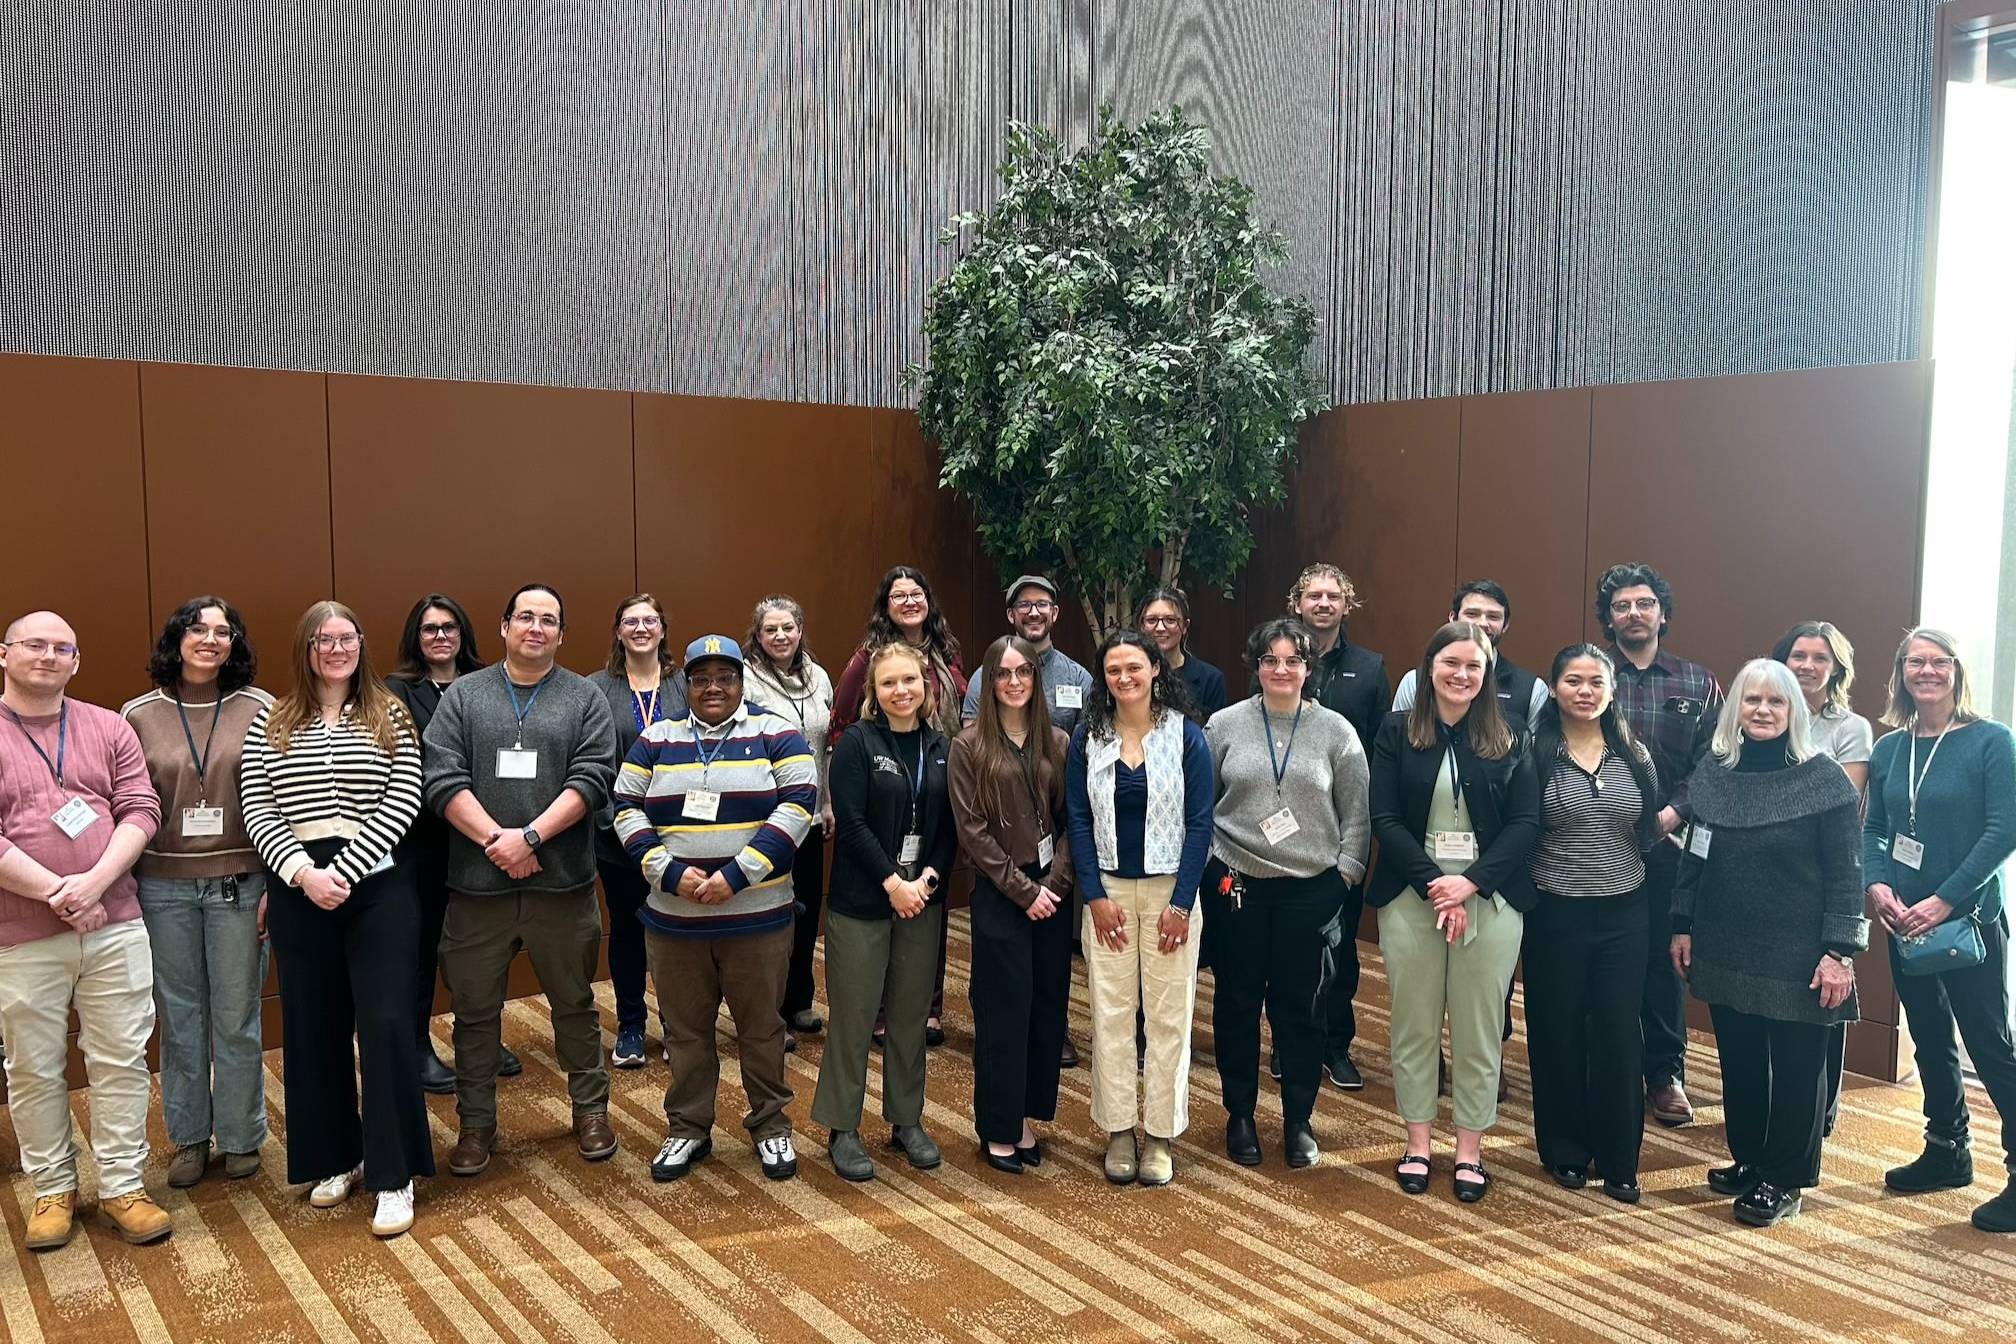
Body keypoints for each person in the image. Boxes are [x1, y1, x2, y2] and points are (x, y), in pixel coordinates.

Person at [242, 600, 433, 1237]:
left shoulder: (389, 712)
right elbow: (257, 805)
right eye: (323, 640)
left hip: (378, 885)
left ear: (361, 644)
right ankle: (336, 1157)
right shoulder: (272, 719)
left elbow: (405, 796)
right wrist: (304, 874)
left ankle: (394, 1173)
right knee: (313, 1026)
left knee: (385, 1025)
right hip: (299, 886)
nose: (336, 649)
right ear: (306, 647)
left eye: (347, 638)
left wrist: (346, 870)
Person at [424, 583, 618, 1178]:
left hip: (561, 889)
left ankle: (590, 1111)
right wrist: (500, 843)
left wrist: (529, 839)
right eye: (525, 617)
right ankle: (476, 1124)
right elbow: (441, 778)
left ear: (561, 634)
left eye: (548, 620)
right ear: (504, 627)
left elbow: (593, 779)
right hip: (477, 891)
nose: (536, 627)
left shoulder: (584, 697)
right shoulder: (464, 695)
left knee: (575, 1004)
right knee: (474, 1012)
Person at [613, 634, 817, 1183]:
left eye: (724, 677)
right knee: (685, 1031)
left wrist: (738, 874)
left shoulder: (777, 733)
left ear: (741, 681)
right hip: (674, 920)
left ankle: (771, 1125)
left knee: (762, 1029)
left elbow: (800, 805)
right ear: (686, 684)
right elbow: (625, 805)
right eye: (701, 679)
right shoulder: (656, 738)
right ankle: (688, 1127)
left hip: (757, 918)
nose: (713, 688)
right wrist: (667, 871)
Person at [1670, 659, 1865, 1227]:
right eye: (1752, 700)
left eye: (1776, 701)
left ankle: (1785, 1178)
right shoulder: (1715, 773)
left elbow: (1846, 873)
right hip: (1725, 942)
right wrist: (1682, 923)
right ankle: (1751, 1158)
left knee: (1799, 1069)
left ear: (1794, 710)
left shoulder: (1824, 779)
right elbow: (1695, 855)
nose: (1762, 710)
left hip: (1801, 952)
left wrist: (1839, 952)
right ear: (1735, 709)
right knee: (1741, 1061)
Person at [0, 611, 171, 1251]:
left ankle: (124, 1186)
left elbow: (141, 808)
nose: (48, 656)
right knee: (33, 1067)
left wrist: (95, 884)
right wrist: (60, 893)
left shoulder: (108, 726)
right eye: (34, 645)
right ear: (4, 654)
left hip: (115, 922)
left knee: (121, 1058)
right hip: (21, 935)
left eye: (62, 648)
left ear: (77, 661)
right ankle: (53, 1189)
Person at [1368, 621, 1537, 1203]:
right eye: (1451, 663)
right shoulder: (1396, 731)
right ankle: (1418, 1143)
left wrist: (1470, 885)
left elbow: (1526, 824)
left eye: (1473, 666)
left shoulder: (1511, 735)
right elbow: (1384, 818)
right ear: (1429, 666)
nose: (1461, 675)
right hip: (1412, 896)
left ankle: (1470, 1150)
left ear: (1487, 674)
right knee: (1413, 1025)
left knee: (1478, 1030)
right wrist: (1438, 886)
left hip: (1491, 900)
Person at [1863, 628, 2016, 1233]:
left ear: (1956, 670)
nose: (1926, 671)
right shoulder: (1889, 748)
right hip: (1905, 920)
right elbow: (1875, 828)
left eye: (1938, 661)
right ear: (1900, 672)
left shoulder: (1990, 740)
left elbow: (2004, 829)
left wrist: (1945, 899)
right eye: (1915, 662)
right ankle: (1947, 1149)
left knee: (1990, 1046)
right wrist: (1877, 885)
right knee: (1928, 1037)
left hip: (1968, 921)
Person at [1204, 618, 1369, 1170]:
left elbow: (1357, 814)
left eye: (1292, 660)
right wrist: (1210, 864)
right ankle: (1240, 1115)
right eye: (1270, 660)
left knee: (1302, 1010)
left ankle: (1298, 1119)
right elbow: (1201, 805)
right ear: (1255, 666)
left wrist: (1345, 875)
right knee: (1237, 1003)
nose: (1281, 669)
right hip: (1238, 885)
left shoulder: (1337, 732)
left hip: (1311, 890)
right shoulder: (1225, 725)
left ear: (1308, 668)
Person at [121, 596, 273, 1189]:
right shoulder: (137, 714)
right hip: (164, 888)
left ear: (235, 644)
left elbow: (282, 800)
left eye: (223, 631)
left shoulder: (260, 708)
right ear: (176, 638)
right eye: (198, 629)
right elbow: (126, 803)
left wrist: (277, 885)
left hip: (242, 882)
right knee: (181, 1017)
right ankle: (189, 1137)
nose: (210, 639)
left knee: (236, 1017)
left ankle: (240, 1136)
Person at [1066, 630, 1213, 1187]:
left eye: (1134, 667)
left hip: (1171, 895)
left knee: (1169, 1019)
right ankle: (1120, 1129)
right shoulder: (1089, 736)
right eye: (1113, 670)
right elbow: (1078, 819)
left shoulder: (1186, 736)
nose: (1124, 678)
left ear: (1155, 669)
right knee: (1110, 1016)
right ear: (1103, 679)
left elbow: (1200, 823)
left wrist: (1182, 903)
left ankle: (1160, 1135)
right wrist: (1094, 896)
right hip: (1108, 896)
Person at [1521, 644, 1660, 1203]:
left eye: (1595, 681)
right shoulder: (1534, 752)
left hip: (1625, 911)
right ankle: (1566, 1149)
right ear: (1554, 688)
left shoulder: (1633, 753)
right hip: (1554, 910)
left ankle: (1620, 1156)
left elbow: (1647, 831)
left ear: (1611, 690)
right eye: (1573, 681)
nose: (1585, 691)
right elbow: (1521, 829)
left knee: (1619, 1031)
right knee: (1556, 1028)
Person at [816, 643, 956, 1179]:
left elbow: (949, 828)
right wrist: (894, 883)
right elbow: (851, 824)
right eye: (889, 682)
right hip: (864, 902)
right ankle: (842, 1127)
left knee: (910, 1015)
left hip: (922, 900)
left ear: (925, 686)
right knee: (854, 1016)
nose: (901, 690)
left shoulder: (941, 746)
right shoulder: (857, 742)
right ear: (873, 692)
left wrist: (927, 880)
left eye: (910, 680)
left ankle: (905, 1119)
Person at [1596, 562, 1722, 1127]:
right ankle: (1610, 1067)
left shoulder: (1697, 682)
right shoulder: (1593, 675)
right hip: (1600, 845)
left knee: (1665, 962)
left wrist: (1673, 813)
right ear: (1609, 618)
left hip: (1672, 847)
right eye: (1621, 605)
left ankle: (1665, 1073)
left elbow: (1716, 761)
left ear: (1662, 614)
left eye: (1644, 603)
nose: (1634, 613)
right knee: (1607, 957)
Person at [386, 594, 522, 1093]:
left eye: (449, 627)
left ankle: (479, 1040)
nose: (440, 636)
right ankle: (418, 1048)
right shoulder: (395, 693)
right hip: (423, 843)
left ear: (463, 633)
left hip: (485, 841)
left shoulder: (492, 683)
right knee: (422, 950)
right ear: (415, 637)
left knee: (483, 949)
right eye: (429, 629)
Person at [951, 635, 1075, 1173]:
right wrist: (1025, 891)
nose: (1014, 682)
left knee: (1045, 1009)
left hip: (1053, 893)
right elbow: (972, 832)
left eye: (1023, 671)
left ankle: (1025, 1117)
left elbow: (1073, 822)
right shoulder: (968, 746)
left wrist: (1055, 885)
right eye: (1003, 674)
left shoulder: (1059, 741)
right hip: (1002, 894)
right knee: (1003, 1012)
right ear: (989, 681)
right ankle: (998, 1126)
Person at [831, 566, 967, 1045]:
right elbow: (841, 721)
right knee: (881, 905)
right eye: (898, 595)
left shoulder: (946, 654)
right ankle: (882, 1009)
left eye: (917, 593)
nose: (909, 602)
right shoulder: (866, 657)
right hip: (881, 780)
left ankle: (926, 1007)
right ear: (885, 605)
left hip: (936, 774)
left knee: (929, 909)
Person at [1282, 563, 1389, 1089]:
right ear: (1297, 603)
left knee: (1340, 942)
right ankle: (1287, 1042)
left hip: (1346, 826)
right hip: (1285, 827)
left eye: (1333, 596)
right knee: (1286, 942)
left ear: (1347, 605)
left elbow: (1381, 747)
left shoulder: (1370, 668)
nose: (1323, 603)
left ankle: (1335, 1044)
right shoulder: (1279, 661)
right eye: (1313, 595)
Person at [1772, 619, 1874, 1138]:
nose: (1808, 666)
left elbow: (1843, 805)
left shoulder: (1850, 728)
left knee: (1822, 993)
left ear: (1837, 669)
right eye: (1799, 656)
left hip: (1821, 877)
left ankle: (1821, 1113)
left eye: (1820, 659)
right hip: (1769, 876)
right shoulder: (1766, 711)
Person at [586, 593, 688, 1069]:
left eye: (650, 620)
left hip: (680, 835)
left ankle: (676, 1024)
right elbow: (591, 760)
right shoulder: (595, 689)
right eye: (631, 621)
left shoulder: (684, 684)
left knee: (676, 934)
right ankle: (630, 1025)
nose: (641, 628)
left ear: (662, 629)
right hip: (617, 837)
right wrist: (618, 823)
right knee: (627, 931)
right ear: (618, 630)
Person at [741, 595, 835, 1045]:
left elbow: (827, 747)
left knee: (807, 909)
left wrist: (828, 803)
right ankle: (769, 1013)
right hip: (769, 818)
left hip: (812, 815)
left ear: (800, 631)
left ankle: (799, 1000)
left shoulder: (818, 676)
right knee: (772, 917)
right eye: (770, 629)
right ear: (758, 635)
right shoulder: (746, 678)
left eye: (788, 628)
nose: (780, 636)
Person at [1390, 581, 1549, 731]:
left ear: (1505, 625)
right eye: (1472, 614)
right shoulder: (1414, 682)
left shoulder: (1532, 689)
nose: (1482, 623)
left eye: (1493, 616)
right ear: (1453, 618)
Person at [961, 575, 1095, 733]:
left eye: (1042, 604)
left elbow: (1087, 741)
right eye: (1024, 605)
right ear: (1011, 615)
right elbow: (972, 740)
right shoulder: (986, 676)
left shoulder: (1078, 678)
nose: (1034, 613)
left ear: (1054, 613)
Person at [1138, 585, 1227, 717]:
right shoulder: (1130, 676)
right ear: (1142, 626)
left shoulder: (1210, 679)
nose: (1160, 628)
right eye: (1152, 620)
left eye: (1170, 620)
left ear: (1185, 626)